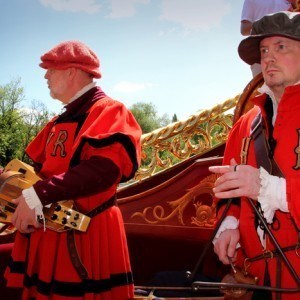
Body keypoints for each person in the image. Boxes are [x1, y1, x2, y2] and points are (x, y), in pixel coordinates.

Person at [4, 40, 142, 300]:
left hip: (89, 234)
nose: (45, 75)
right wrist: (23, 206)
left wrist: (37, 194)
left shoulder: (110, 110)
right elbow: (39, 173)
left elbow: (103, 170)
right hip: (50, 230)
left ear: (71, 71)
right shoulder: (58, 121)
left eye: (51, 69)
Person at [209, 11, 300, 300]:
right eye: (264, 50)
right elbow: (230, 193)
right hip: (258, 278)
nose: (268, 58)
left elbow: (259, 186)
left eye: (281, 47)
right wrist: (229, 224)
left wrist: (268, 188)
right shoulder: (248, 123)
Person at [240, 0, 296, 77]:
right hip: (261, 55)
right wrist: (268, 23)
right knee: (262, 87)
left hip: (289, 52)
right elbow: (244, 29)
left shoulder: (288, 2)